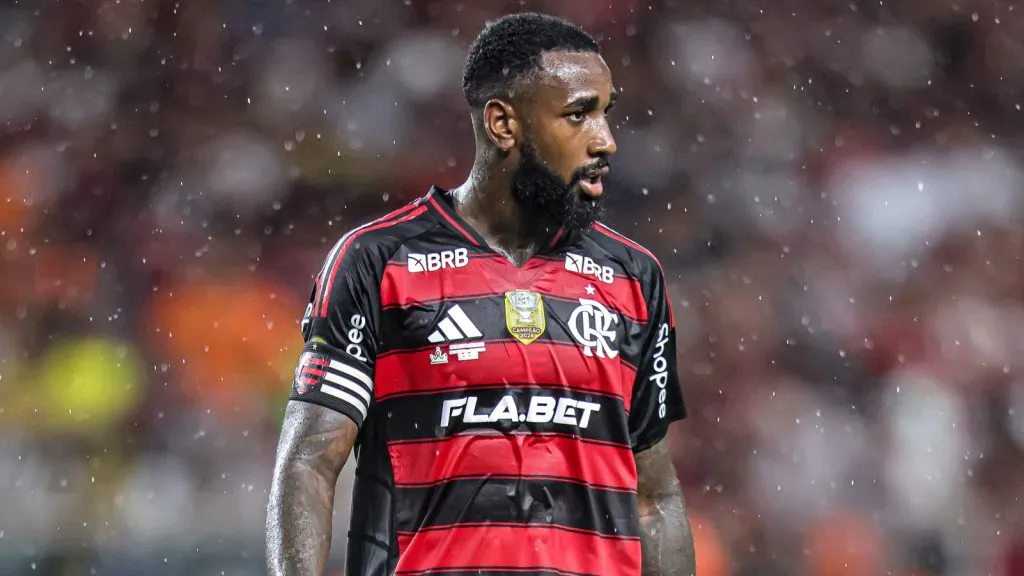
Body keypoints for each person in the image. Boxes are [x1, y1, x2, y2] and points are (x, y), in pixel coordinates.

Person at [266, 12, 695, 576]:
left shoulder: (634, 277)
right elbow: (309, 466)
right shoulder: (379, 261)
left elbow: (655, 501)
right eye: (579, 114)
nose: (606, 140)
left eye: (605, 113)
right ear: (502, 124)